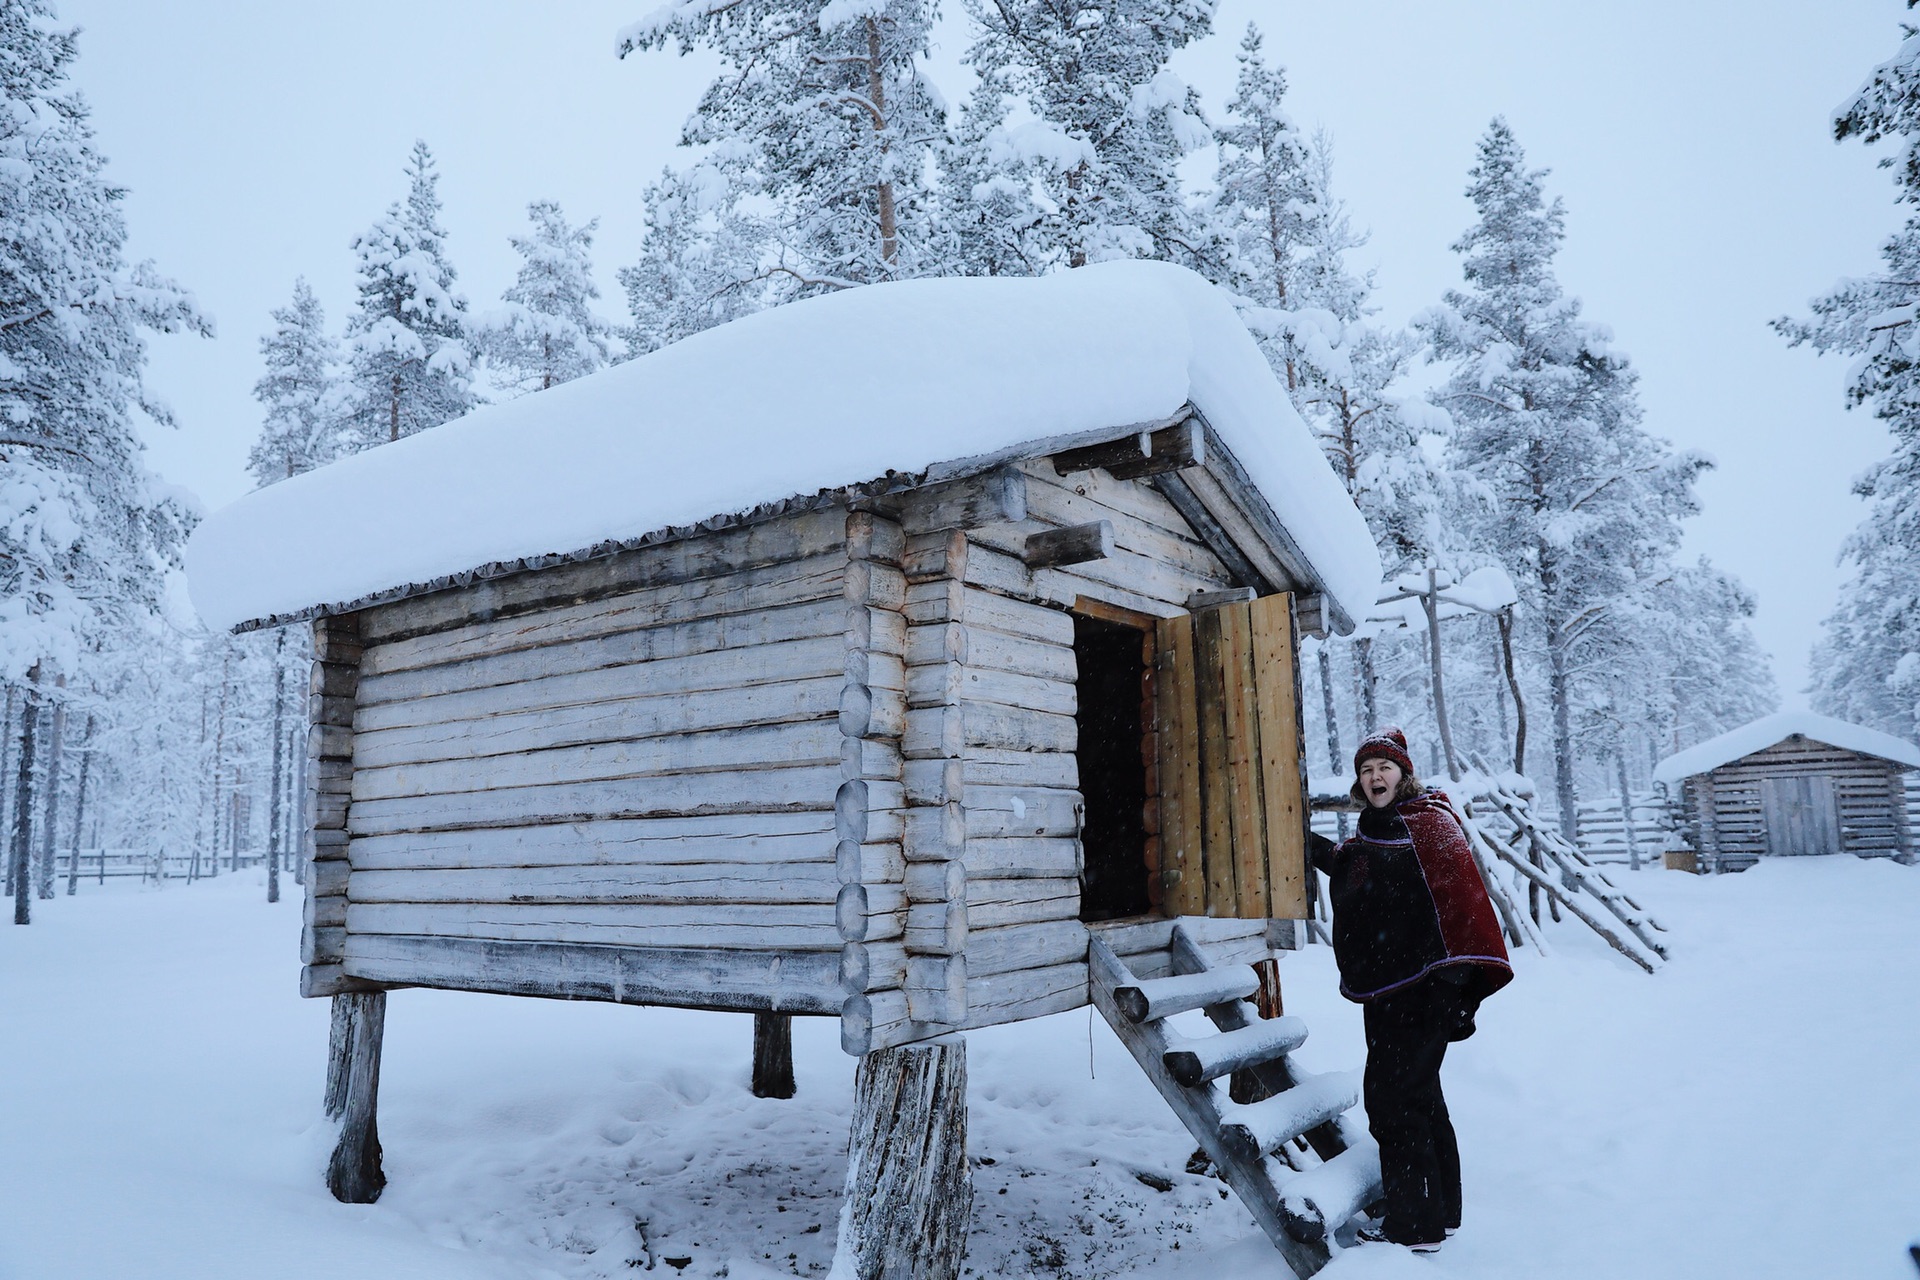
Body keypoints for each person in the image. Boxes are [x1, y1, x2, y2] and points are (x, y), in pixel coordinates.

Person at [1309, 727, 1512, 1253]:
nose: (1375, 777)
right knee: (1419, 1097)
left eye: (1385, 768)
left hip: (1426, 992)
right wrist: (1310, 847)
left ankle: (1412, 1227)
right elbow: (1366, 873)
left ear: (1404, 774)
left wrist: (1452, 986)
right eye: (1366, 769)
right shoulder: (1382, 827)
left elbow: (1462, 907)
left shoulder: (1431, 824)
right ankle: (1439, 1213)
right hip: (1395, 991)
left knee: (1394, 1100)